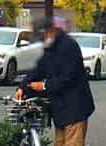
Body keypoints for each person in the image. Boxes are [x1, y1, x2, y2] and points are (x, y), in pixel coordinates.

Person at [17, 16, 95, 146]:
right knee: (60, 142)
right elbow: (39, 69)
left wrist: (44, 85)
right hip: (61, 110)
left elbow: (68, 78)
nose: (41, 40)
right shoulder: (51, 47)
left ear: (51, 31)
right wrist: (23, 86)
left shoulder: (68, 46)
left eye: (42, 36)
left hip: (75, 109)